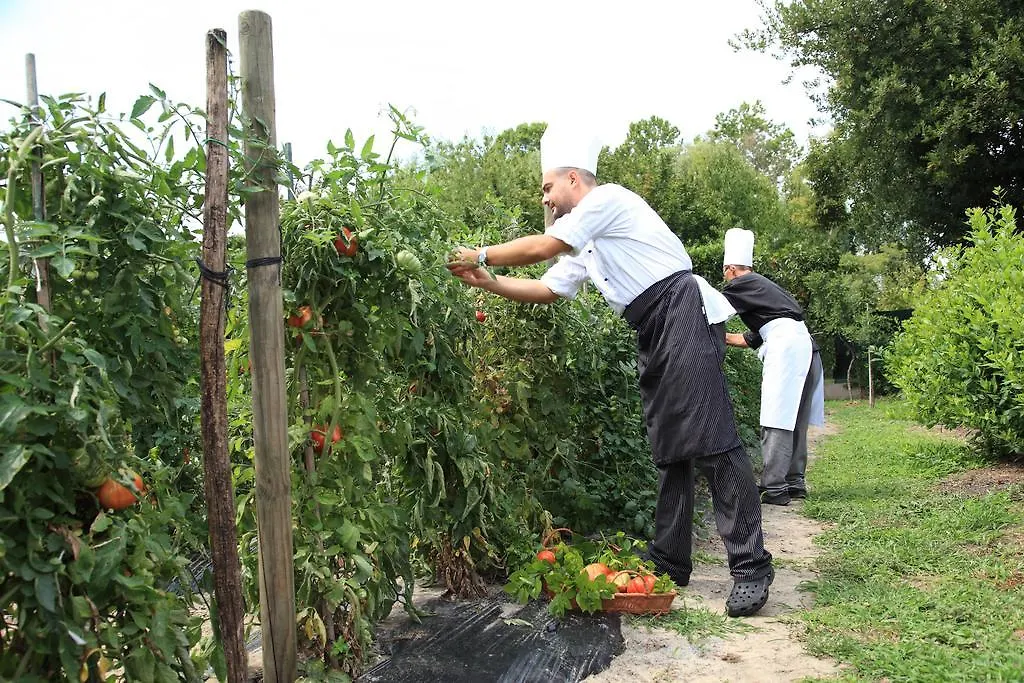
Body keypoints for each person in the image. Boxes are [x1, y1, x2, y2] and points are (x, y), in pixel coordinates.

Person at [447, 125, 775, 617]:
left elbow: (542, 248)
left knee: (712, 439)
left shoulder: (608, 201)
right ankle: (671, 559)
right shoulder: (588, 241)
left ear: (574, 179)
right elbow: (548, 289)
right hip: (651, 325)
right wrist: (488, 282)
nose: (546, 199)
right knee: (670, 446)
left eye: (547, 187)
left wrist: (482, 254)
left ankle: (751, 566)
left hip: (681, 308)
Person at [720, 228, 826, 506]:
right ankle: (794, 482)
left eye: (724, 272)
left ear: (731, 269)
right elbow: (751, 336)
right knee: (797, 420)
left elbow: (713, 307)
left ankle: (774, 488)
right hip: (807, 347)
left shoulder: (739, 285)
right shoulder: (766, 290)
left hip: (787, 349)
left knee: (777, 416)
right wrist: (721, 337)